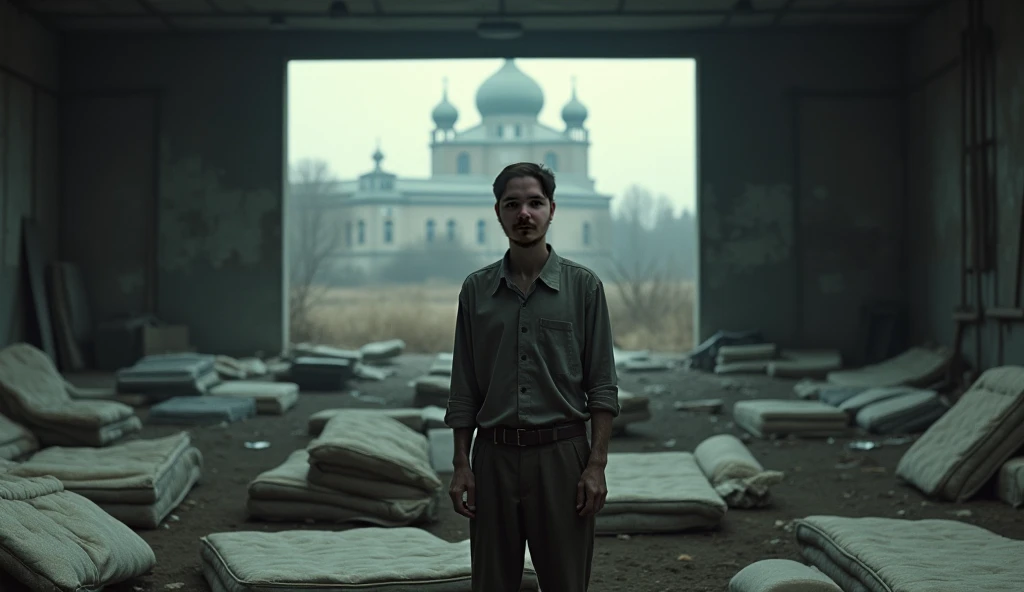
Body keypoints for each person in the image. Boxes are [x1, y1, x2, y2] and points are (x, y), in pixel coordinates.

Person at [444, 162, 620, 592]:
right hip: (493, 459)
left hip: (562, 458)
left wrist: (596, 465)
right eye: (513, 204)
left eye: (535, 203)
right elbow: (464, 386)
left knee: (565, 583)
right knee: (492, 583)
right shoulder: (476, 291)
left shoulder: (584, 289)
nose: (525, 213)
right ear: (499, 212)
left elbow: (601, 385)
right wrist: (461, 464)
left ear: (552, 209)